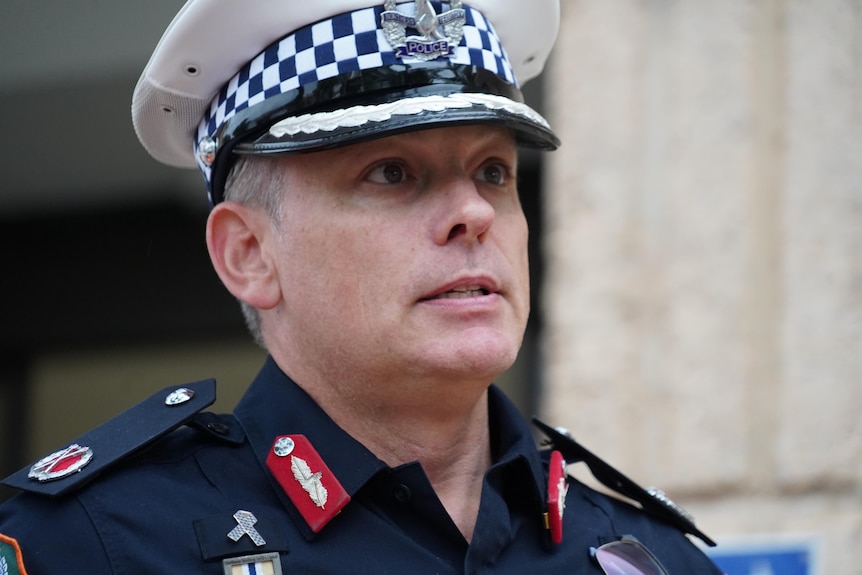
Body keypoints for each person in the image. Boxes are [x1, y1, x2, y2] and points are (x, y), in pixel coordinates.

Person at [0, 1, 724, 573]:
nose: (473, 212)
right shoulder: (92, 546)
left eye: (493, 172)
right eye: (392, 173)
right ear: (249, 253)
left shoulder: (650, 557)